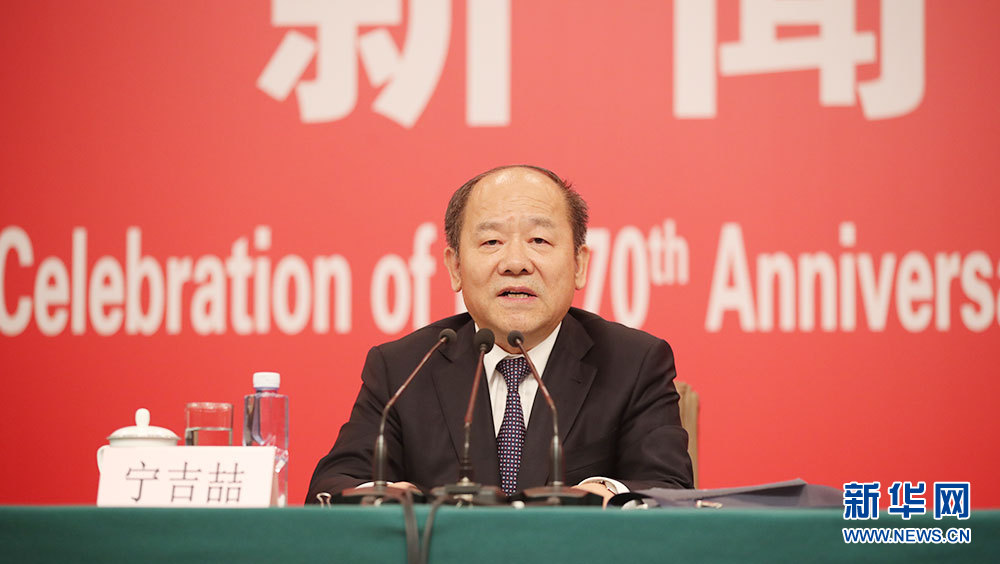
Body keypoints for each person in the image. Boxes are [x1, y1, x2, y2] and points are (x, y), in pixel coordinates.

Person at [306, 165, 692, 505]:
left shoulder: (633, 363)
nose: (515, 263)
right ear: (455, 267)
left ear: (579, 264)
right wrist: (383, 497)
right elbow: (333, 485)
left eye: (539, 241)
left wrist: (605, 493)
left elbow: (668, 490)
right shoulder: (402, 368)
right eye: (491, 242)